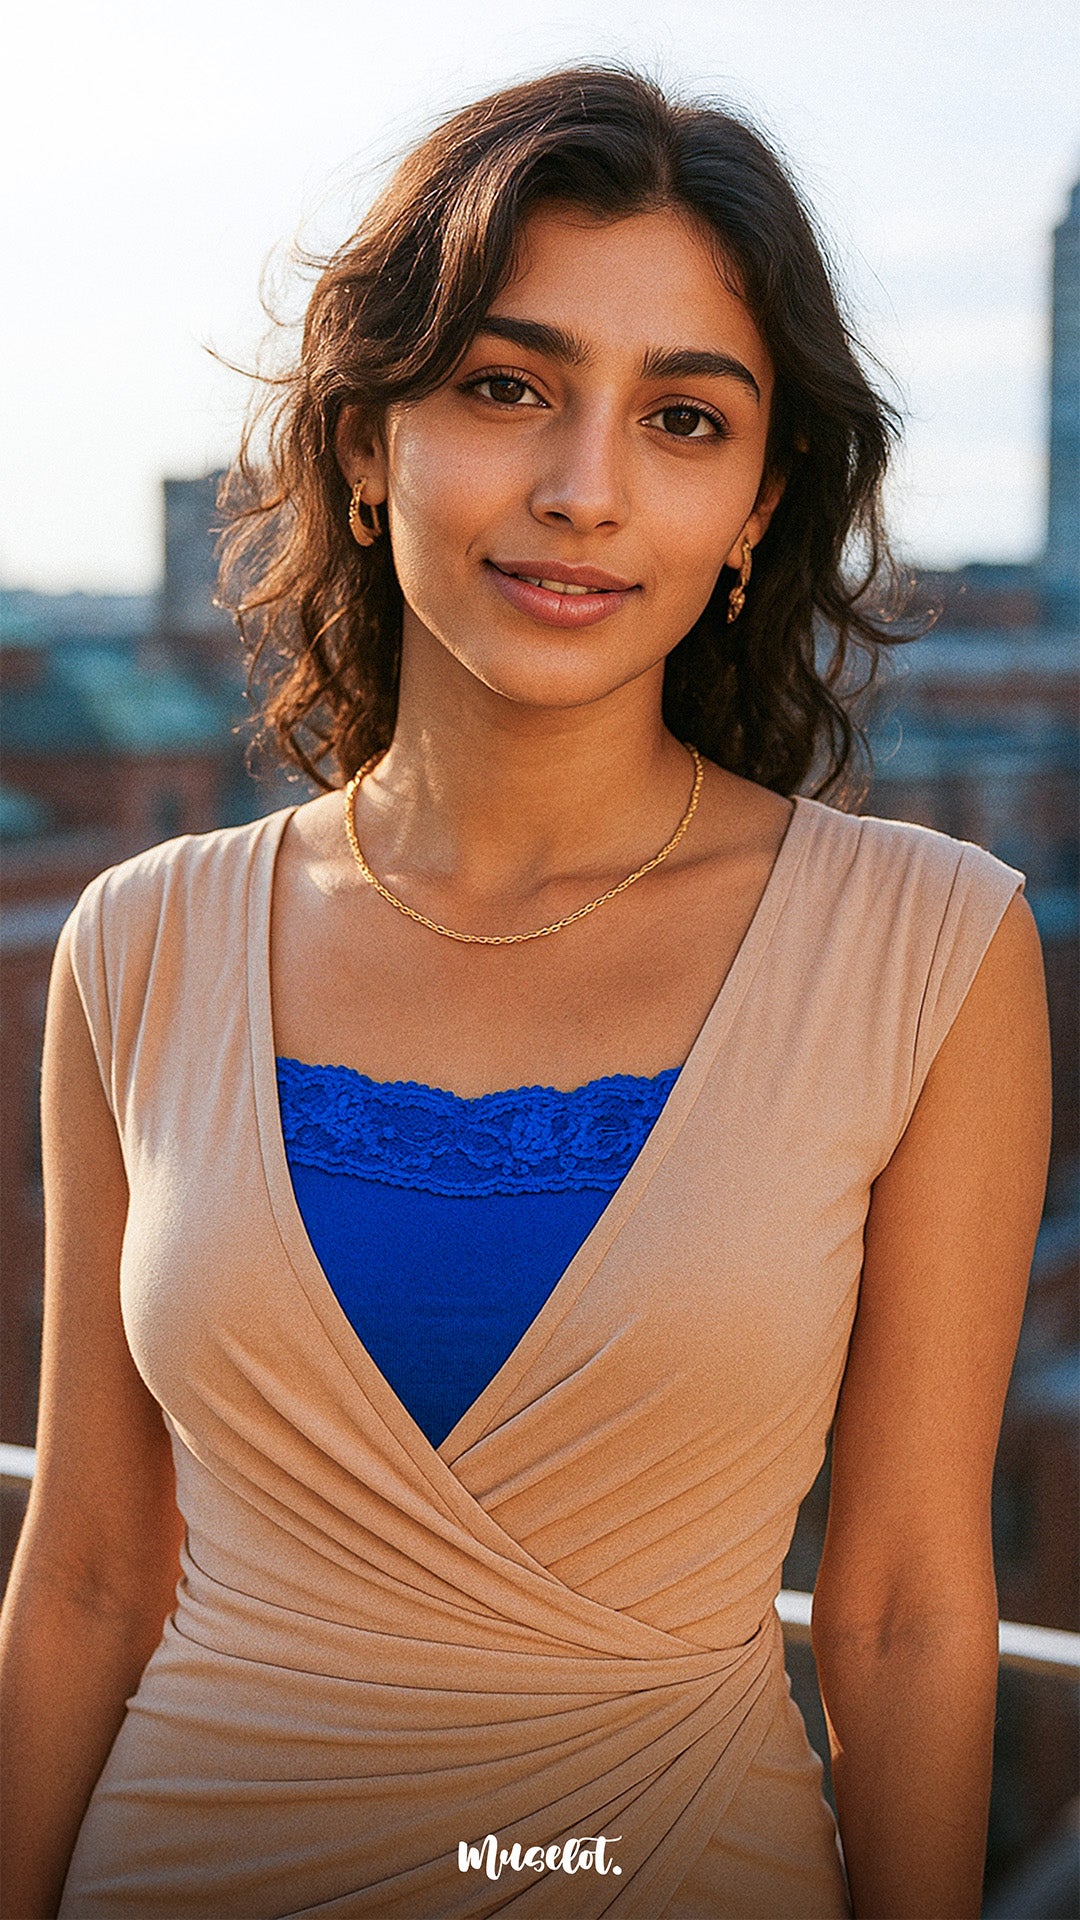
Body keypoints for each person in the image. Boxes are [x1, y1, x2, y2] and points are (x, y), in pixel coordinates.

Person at [0, 64, 1052, 1920]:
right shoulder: (140, 942)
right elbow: (87, 1571)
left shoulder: (929, 946)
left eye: (684, 420)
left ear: (756, 508)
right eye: (505, 388)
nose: (584, 490)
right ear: (362, 440)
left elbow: (895, 1610)